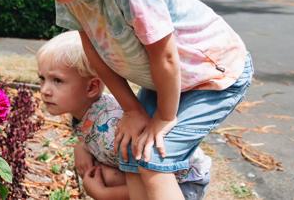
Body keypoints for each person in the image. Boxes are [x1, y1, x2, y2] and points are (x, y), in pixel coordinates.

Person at [18, 0, 253, 200]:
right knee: (131, 153)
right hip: (169, 81)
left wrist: (164, 118)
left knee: (155, 158)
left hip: (213, 76)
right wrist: (132, 110)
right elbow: (93, 48)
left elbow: (165, 56)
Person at [37, 31, 211, 200]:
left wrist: (103, 194)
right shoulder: (89, 112)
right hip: (154, 174)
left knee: (107, 176)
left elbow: (146, 180)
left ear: (92, 87)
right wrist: (81, 146)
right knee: (105, 172)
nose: (45, 90)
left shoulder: (111, 128)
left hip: (182, 182)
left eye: (57, 80)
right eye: (42, 79)